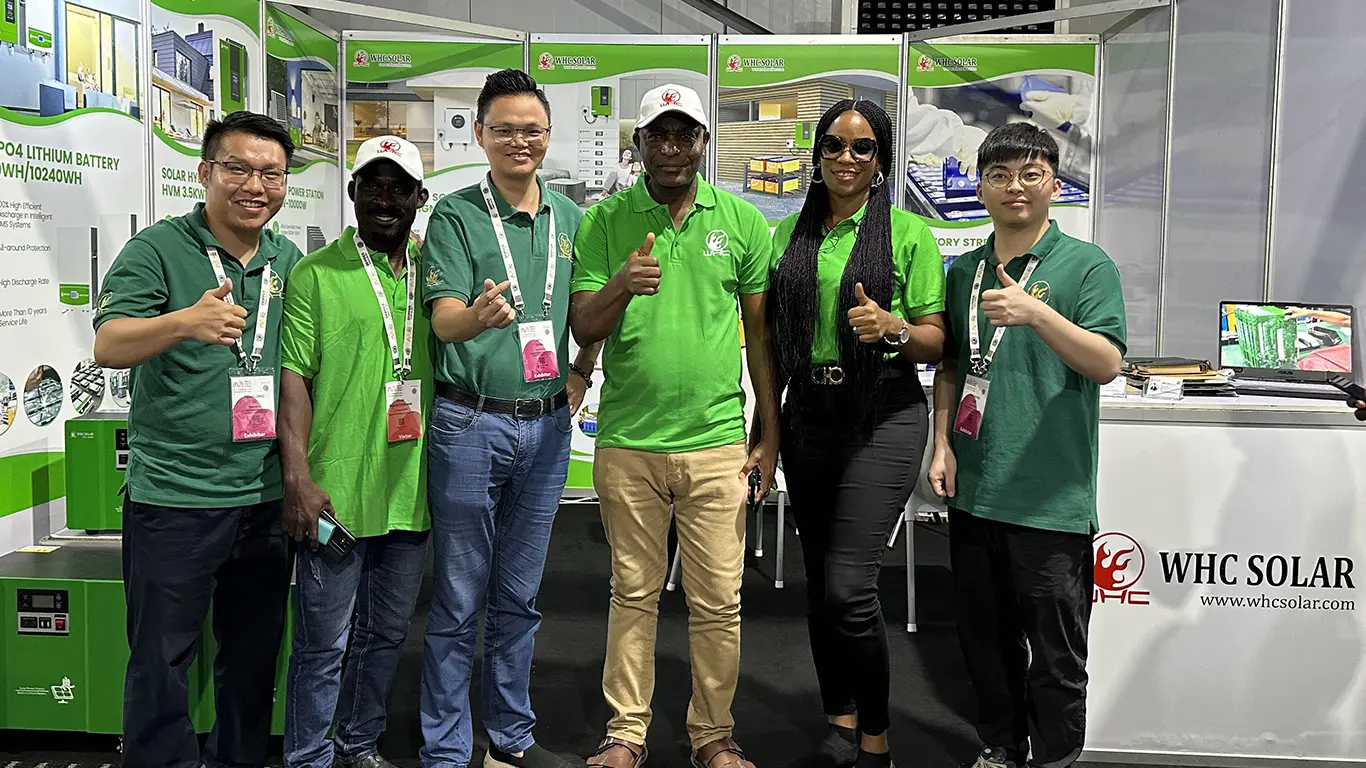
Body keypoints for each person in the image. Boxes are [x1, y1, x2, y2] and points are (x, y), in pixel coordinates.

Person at [569, 83, 780, 768]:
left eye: (683, 134)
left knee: (718, 601)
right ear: (639, 144)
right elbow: (584, 326)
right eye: (656, 135)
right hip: (628, 442)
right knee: (632, 594)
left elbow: (760, 338)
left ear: (702, 143)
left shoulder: (743, 221)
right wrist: (622, 283)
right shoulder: (604, 222)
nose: (670, 148)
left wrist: (769, 433)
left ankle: (713, 734)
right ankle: (625, 734)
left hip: (717, 444)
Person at [92, 111, 303, 768]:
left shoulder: (288, 261)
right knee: (161, 661)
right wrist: (184, 322)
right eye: (238, 169)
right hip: (175, 499)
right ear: (206, 172)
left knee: (252, 660)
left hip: (262, 498)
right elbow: (108, 345)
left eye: (271, 173)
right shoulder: (159, 249)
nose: (255, 186)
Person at [927, 123, 1126, 768]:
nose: (1015, 187)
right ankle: (1002, 748)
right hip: (977, 488)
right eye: (999, 175)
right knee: (986, 645)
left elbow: (1106, 363)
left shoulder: (1087, 266)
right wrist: (942, 445)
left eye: (1031, 174)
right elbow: (952, 365)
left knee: (1057, 653)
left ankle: (1057, 758)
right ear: (981, 187)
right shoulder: (964, 270)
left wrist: (1037, 313)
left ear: (1054, 185)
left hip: (1049, 497)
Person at [420, 69, 596, 768]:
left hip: (547, 426)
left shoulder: (573, 220)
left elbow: (590, 312)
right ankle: (444, 747)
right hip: (470, 424)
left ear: (548, 136)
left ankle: (510, 737)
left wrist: (582, 369)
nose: (519, 141)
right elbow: (443, 322)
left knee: (520, 596)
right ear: (481, 134)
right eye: (504, 129)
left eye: (532, 130)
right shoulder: (456, 216)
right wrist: (477, 317)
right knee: (459, 596)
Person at [768, 99, 947, 768]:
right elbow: (770, 340)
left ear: (881, 160)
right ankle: (838, 719)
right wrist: (767, 426)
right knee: (820, 582)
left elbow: (935, 341)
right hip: (808, 412)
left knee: (849, 587)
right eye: (835, 145)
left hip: (883, 412)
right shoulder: (787, 235)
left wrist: (895, 329)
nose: (847, 157)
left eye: (863, 146)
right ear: (817, 154)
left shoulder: (907, 234)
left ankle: (876, 739)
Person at [278, 135, 433, 768]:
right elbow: (294, 381)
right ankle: (308, 757)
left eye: (399, 188)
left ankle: (357, 745)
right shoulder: (314, 275)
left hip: (410, 490)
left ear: (420, 197)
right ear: (353, 193)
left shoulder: (436, 272)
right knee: (322, 643)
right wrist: (298, 478)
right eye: (373, 185)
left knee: (386, 634)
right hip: (334, 493)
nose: (385, 199)